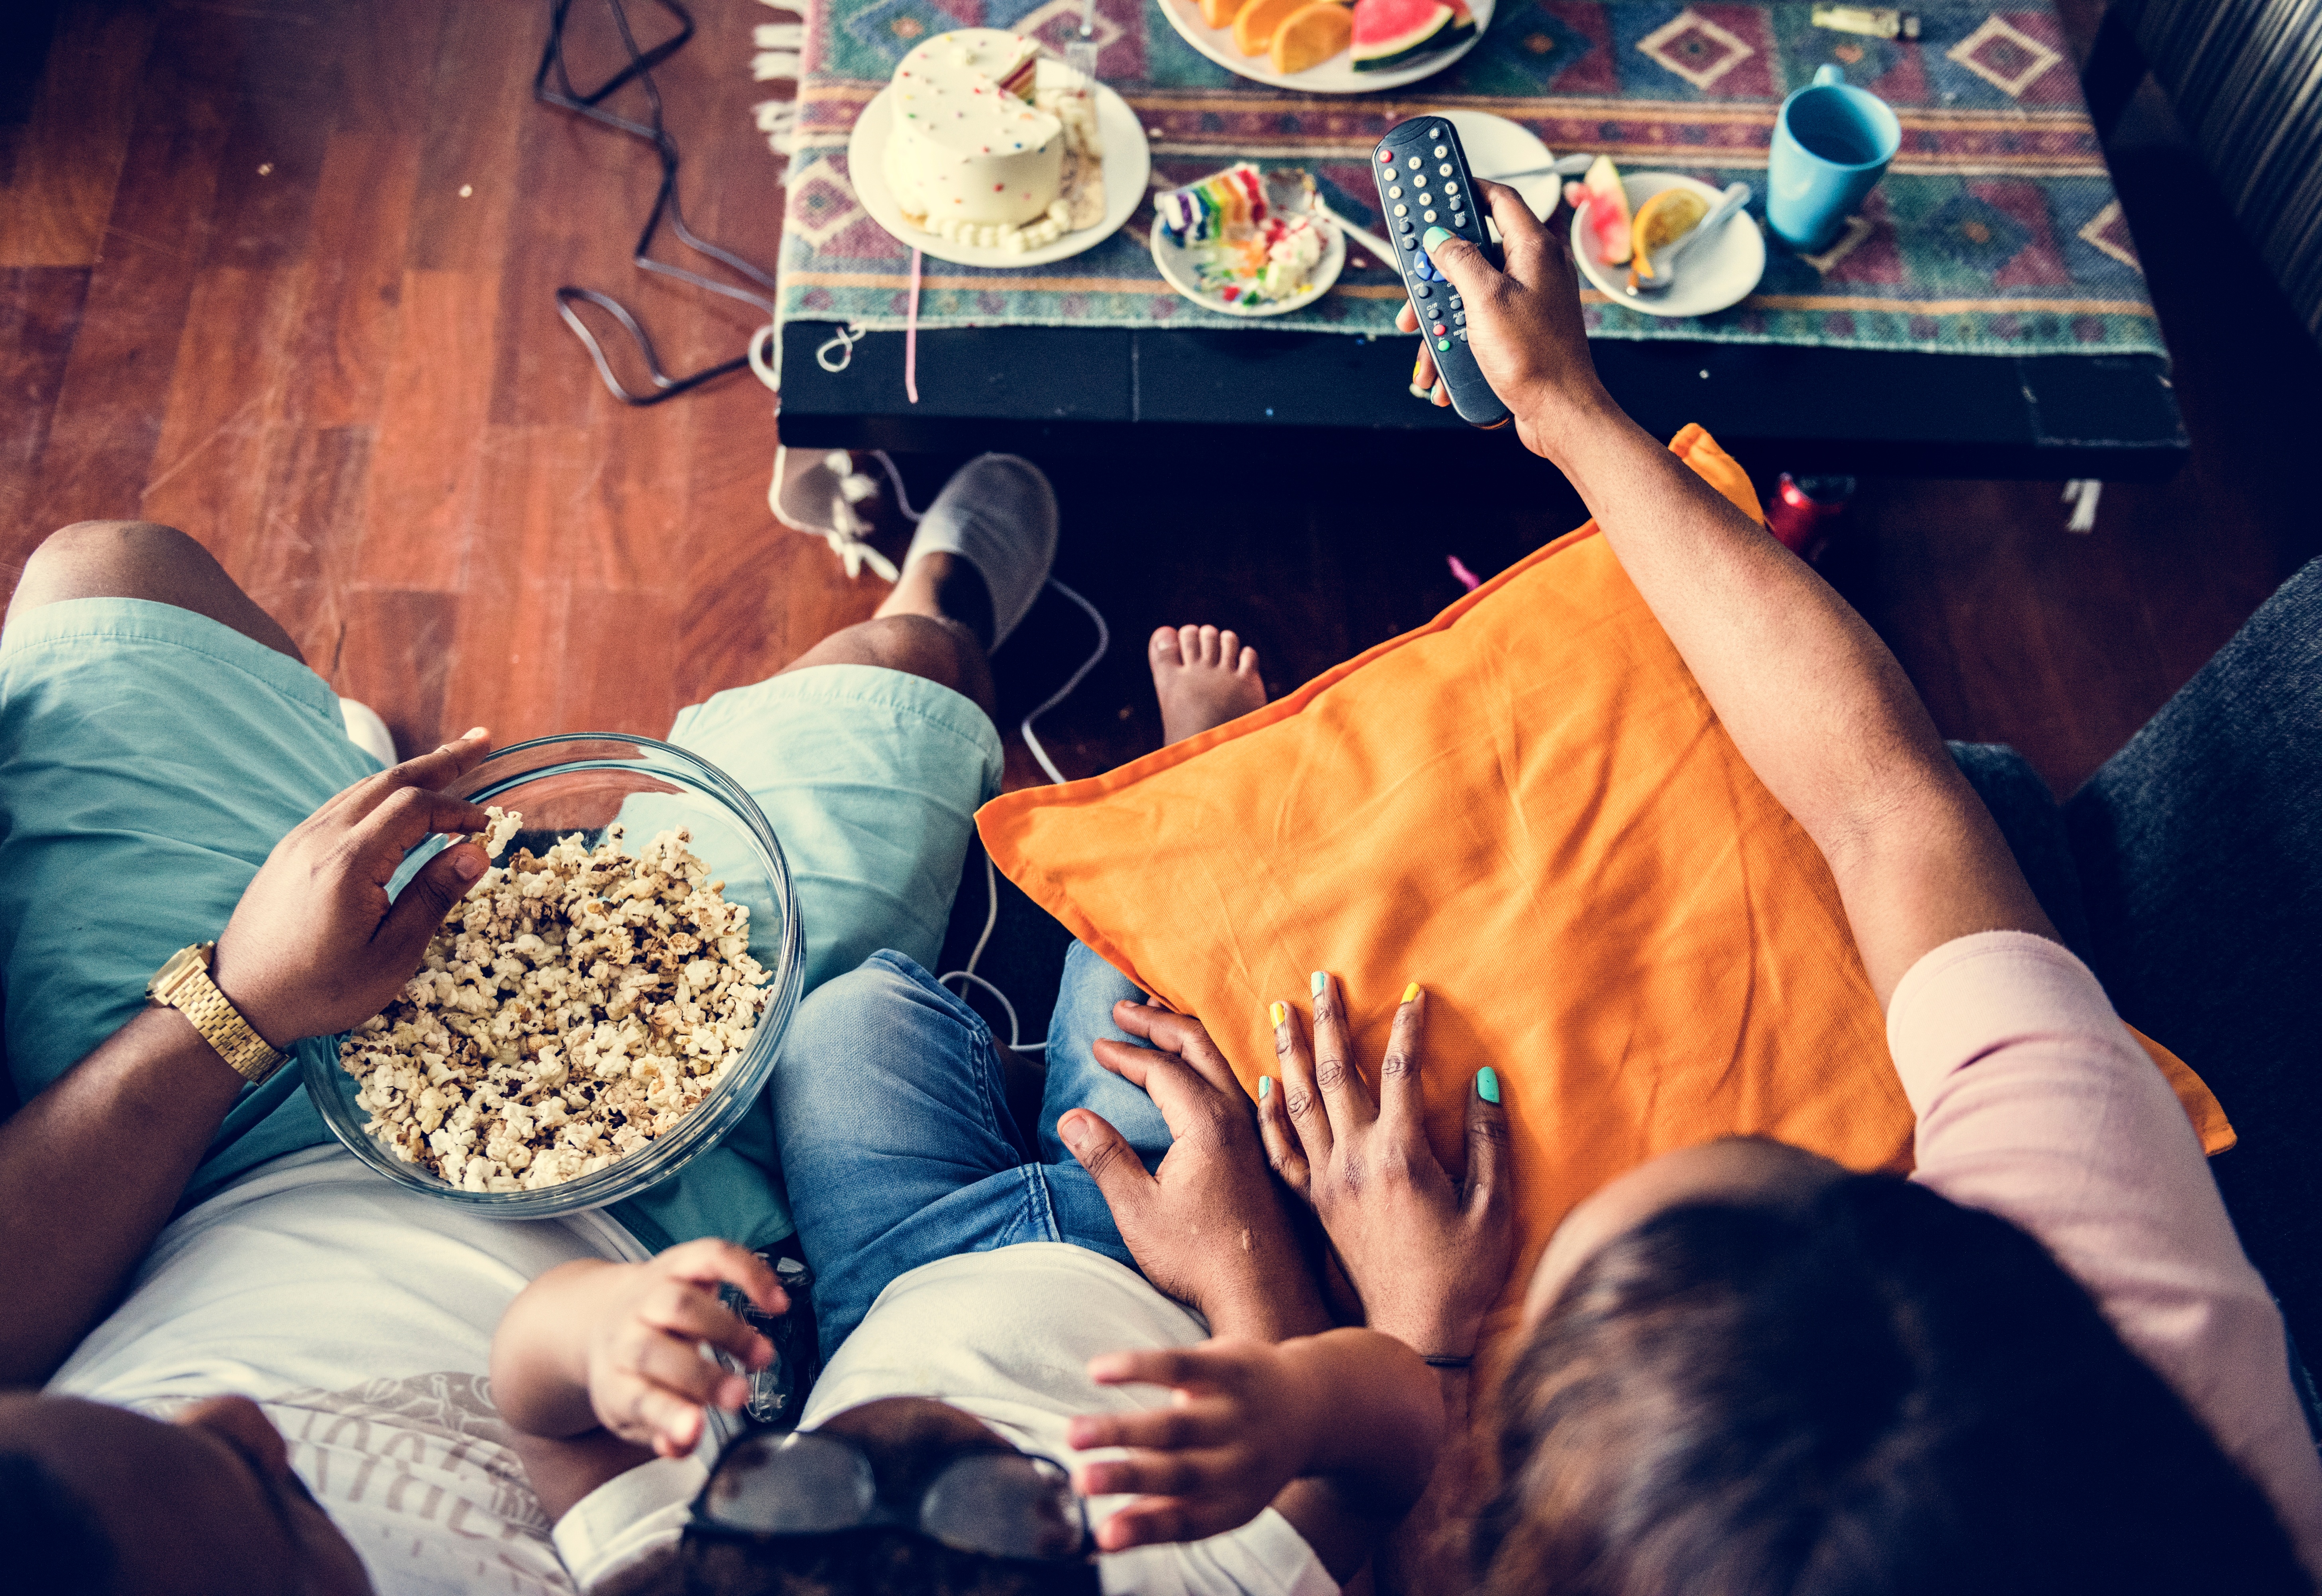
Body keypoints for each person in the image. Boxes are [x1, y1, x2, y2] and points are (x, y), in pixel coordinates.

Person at [1344, 189, 2322, 1590]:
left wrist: (1407, 1343)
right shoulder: (2102, 1259)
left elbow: (1884, 811)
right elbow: (1878, 803)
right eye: (1878, 1188)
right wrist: (1567, 408)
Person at [0, 454, 1132, 1594]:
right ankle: (936, 601)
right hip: (660, 1222)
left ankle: (324, 762)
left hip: (193, 1165)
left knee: (111, 568)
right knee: (900, 667)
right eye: (271, 1492)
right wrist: (630, 1338)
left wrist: (238, 1000)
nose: (237, 1410)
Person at [485, 623, 1510, 1595]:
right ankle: (1190, 763)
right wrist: (1283, 1394)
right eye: (1015, 1499)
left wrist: (596, 1336)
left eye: (797, 1483)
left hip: (894, 1274)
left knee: (845, 1022)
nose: (925, 1425)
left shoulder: (666, 1568)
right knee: (1145, 984)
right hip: (1167, 1280)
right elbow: (1395, 1440)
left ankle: (1035, 1074)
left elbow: (544, 1413)